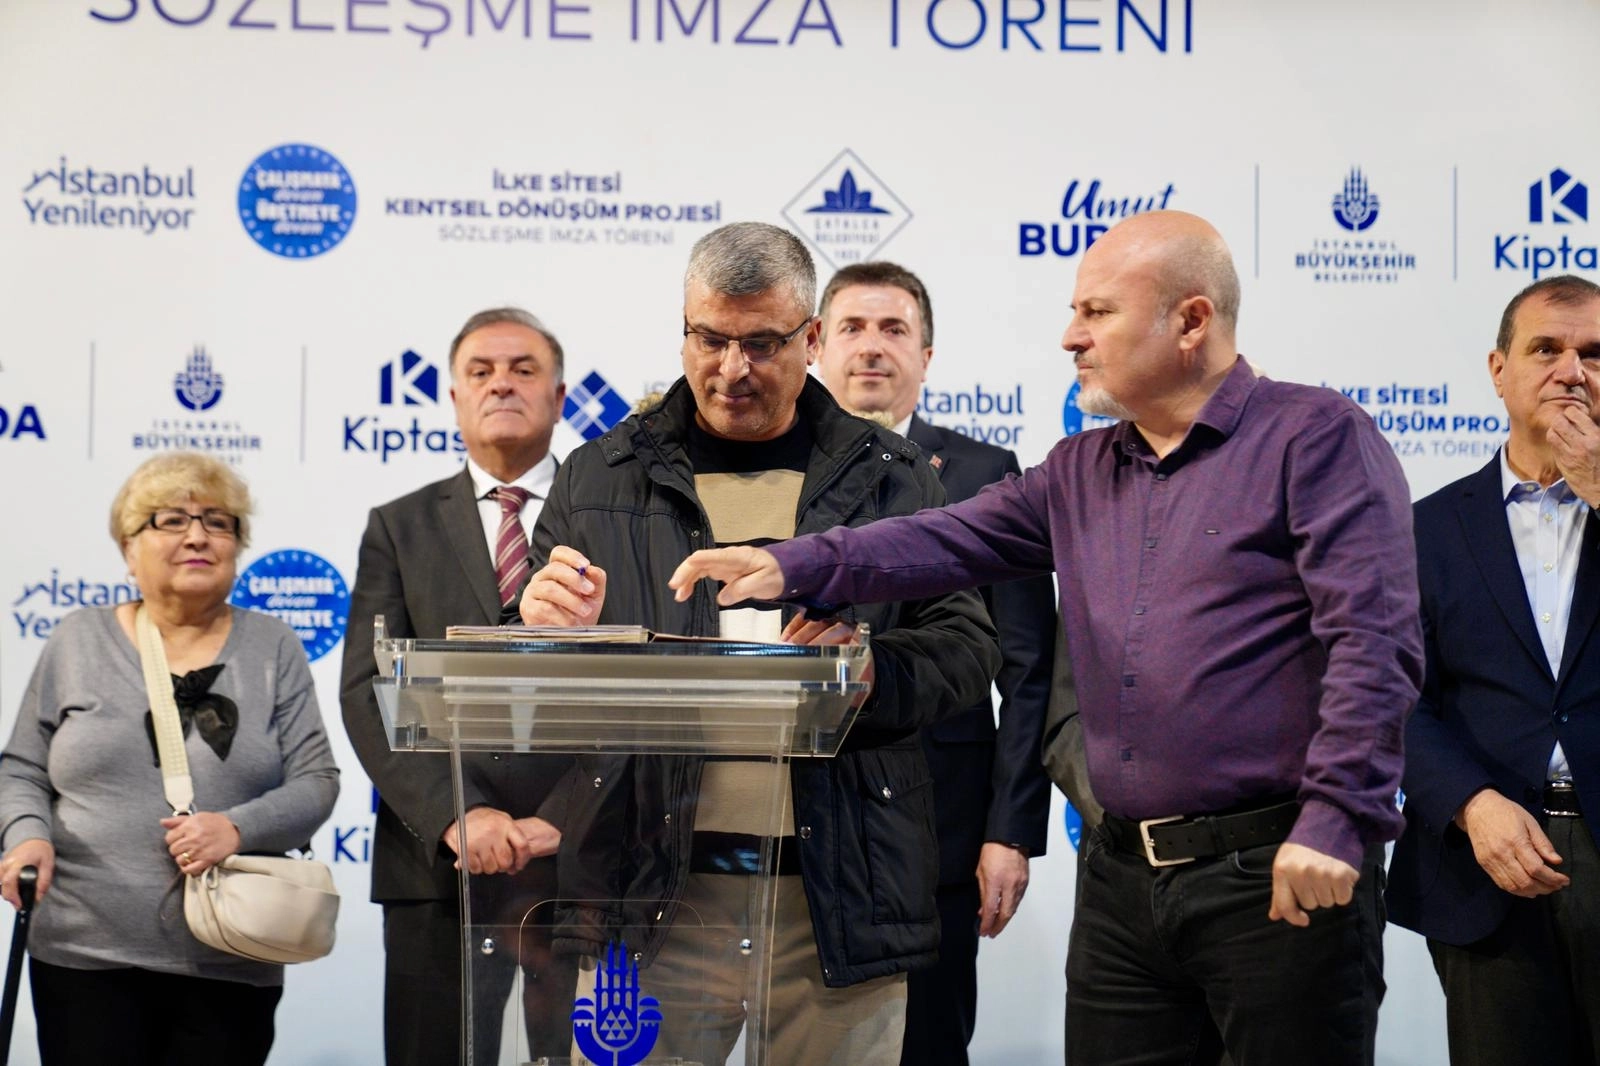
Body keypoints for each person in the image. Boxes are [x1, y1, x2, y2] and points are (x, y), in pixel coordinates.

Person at [670, 210, 1424, 1066]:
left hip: (1277, 873)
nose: (1071, 336)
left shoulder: (1314, 437)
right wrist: (789, 564)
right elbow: (939, 540)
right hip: (1120, 888)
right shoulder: (1081, 469)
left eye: (1097, 312)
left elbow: (1375, 643)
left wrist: (1339, 816)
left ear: (1191, 321)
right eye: (1075, 312)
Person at [517, 221, 999, 1065]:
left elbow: (965, 648)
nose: (731, 369)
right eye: (710, 339)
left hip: (837, 898)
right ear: (684, 330)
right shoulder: (598, 477)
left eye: (762, 344)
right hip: (645, 900)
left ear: (810, 339)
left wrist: (871, 672)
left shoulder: (893, 478)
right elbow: (539, 669)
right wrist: (542, 626)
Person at [0, 452, 340, 1066]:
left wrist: (237, 828)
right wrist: (27, 837)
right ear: (128, 548)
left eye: (218, 521)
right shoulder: (77, 639)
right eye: (171, 520)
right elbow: (22, 765)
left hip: (232, 953)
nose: (197, 536)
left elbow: (316, 781)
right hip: (83, 952)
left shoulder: (273, 646)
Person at [814, 260, 1057, 1066]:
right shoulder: (780, 469)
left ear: (926, 355)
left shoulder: (986, 475)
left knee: (928, 1046)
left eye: (894, 329)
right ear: (816, 346)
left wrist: (1010, 832)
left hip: (940, 831)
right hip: (802, 821)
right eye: (852, 327)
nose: (871, 347)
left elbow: (1028, 668)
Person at [339, 307, 573, 1065]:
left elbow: (650, 688)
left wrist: (568, 817)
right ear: (454, 397)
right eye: (481, 371)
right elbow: (367, 690)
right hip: (435, 862)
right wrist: (458, 814)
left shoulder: (610, 518)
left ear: (559, 396)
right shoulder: (398, 526)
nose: (501, 383)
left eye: (523, 369)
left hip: (581, 863)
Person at [1387, 274, 1600, 1065]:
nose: (1572, 371)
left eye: (1594, 354)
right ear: (1498, 370)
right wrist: (1470, 804)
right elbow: (1391, 696)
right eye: (1546, 349)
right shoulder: (1423, 529)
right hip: (1485, 867)